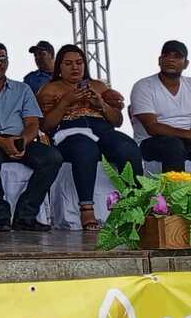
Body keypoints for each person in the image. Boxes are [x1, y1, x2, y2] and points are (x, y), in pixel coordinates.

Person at [37, 44, 142, 230]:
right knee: (85, 147)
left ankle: (137, 202)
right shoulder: (49, 90)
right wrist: (66, 102)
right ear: (59, 67)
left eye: (79, 63)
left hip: (102, 130)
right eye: (68, 63)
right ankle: (86, 208)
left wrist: (101, 104)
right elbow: (45, 126)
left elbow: (117, 121)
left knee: (127, 145)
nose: (75, 67)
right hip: (68, 132)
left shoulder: (99, 86)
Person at [0, 41, 63, 232]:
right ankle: (1, 215)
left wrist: (22, 141)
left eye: (3, 59)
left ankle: (26, 214)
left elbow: (32, 123)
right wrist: (1, 142)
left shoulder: (22, 89)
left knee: (53, 157)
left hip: (18, 139)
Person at [131, 40, 191, 172]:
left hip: (186, 139)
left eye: (177, 56)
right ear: (160, 60)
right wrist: (187, 134)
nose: (171, 59)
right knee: (173, 145)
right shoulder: (143, 86)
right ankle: (173, 186)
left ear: (186, 64)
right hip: (152, 141)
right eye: (166, 55)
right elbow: (152, 127)